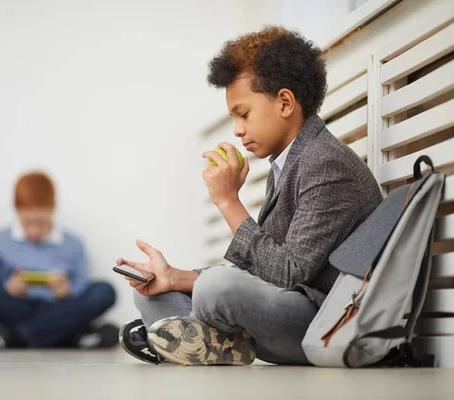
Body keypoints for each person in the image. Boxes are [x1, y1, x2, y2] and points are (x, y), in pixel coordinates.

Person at [117, 26, 383, 366]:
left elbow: (287, 274)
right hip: (288, 312)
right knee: (155, 297)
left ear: (285, 102)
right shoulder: (288, 162)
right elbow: (263, 269)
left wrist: (229, 201)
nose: (238, 129)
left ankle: (203, 342)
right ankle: (205, 341)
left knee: (217, 287)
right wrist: (176, 278)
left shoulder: (326, 163)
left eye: (244, 114)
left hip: (327, 321)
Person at [0, 171, 118, 349]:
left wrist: (67, 290)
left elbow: (82, 285)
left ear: (53, 208)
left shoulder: (74, 244)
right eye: (28, 222)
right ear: (16, 210)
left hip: (59, 307)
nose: (35, 231)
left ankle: (16, 338)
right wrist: (8, 288)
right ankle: (68, 336)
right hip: (17, 308)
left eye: (42, 223)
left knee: (105, 291)